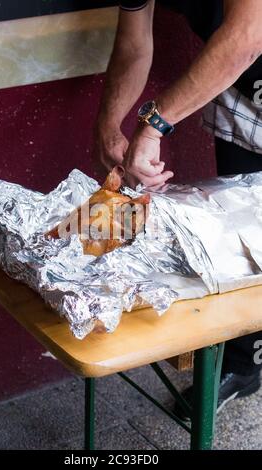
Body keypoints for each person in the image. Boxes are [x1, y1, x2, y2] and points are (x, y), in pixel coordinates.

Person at [93, 0, 262, 416]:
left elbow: (246, 37)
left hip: (243, 53)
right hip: (244, 93)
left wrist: (152, 126)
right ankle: (245, 365)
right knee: (242, 247)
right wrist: (109, 125)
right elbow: (135, 44)